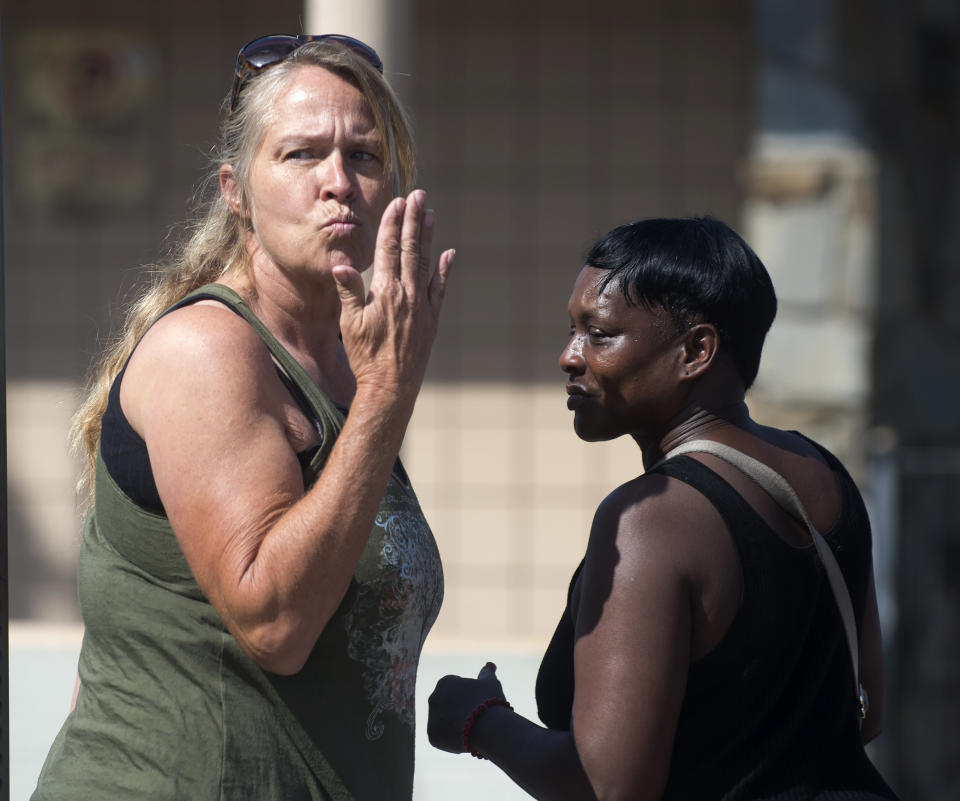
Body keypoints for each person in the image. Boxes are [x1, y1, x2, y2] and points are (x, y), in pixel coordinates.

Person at [32, 33, 453, 801]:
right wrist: (388, 397)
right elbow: (275, 623)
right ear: (236, 190)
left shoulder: (345, 373)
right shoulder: (207, 350)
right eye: (300, 155)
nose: (339, 183)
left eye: (363, 156)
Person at [427, 217, 899, 801]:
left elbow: (609, 788)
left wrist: (480, 721)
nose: (568, 357)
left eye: (599, 334)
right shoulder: (823, 473)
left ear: (696, 351)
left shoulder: (653, 521)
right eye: (572, 329)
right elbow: (867, 712)